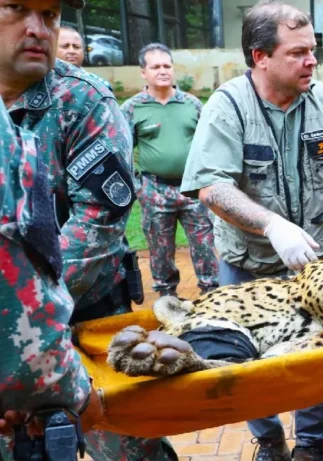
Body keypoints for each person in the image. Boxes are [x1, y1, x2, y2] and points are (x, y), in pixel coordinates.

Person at [180, 2, 323, 460]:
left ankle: (311, 446)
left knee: (321, 359)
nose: (312, 61)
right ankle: (269, 441)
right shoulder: (229, 107)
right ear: (260, 56)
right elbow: (211, 186)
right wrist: (271, 225)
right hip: (249, 271)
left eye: (313, 50)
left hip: (316, 266)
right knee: (244, 362)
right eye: (298, 52)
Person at [0, 0, 177, 460]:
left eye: (51, 15)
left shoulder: (83, 100)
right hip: (6, 334)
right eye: (16, 8)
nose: (38, 29)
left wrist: (24, 321)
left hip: (92, 323)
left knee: (129, 445)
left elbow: (96, 226)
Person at [0, 101, 103, 460]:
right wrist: (55, 388)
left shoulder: (84, 100)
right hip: (39, 354)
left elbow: (100, 213)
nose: (41, 38)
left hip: (89, 305)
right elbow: (11, 284)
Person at [122, 43, 219, 298]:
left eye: (167, 65)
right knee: (160, 250)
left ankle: (211, 295)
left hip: (193, 189)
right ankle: (167, 298)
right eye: (155, 66)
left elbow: (209, 145)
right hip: (154, 190)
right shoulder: (133, 108)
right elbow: (121, 151)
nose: (162, 71)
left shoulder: (193, 104)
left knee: (205, 245)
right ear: (143, 72)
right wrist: (137, 187)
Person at [56, 25, 113, 90]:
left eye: (76, 47)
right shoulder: (44, 82)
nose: (72, 51)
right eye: (65, 46)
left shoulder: (98, 86)